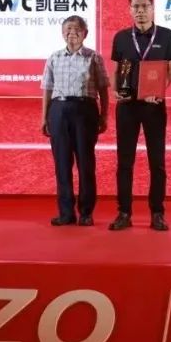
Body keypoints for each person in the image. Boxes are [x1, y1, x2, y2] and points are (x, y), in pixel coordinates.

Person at [108, 0, 171, 232]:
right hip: (127, 107)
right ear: (130, 10)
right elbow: (116, 71)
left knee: (157, 162)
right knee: (124, 162)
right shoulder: (121, 37)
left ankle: (157, 213)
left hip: (154, 106)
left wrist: (157, 91)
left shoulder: (167, 35)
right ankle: (124, 212)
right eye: (136, 7)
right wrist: (116, 91)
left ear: (152, 8)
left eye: (144, 6)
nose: (140, 11)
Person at [40, 15, 109, 226]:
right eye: (68, 29)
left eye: (77, 29)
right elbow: (47, 89)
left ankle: (86, 212)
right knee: (62, 164)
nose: (72, 33)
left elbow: (103, 89)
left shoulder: (94, 57)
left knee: (86, 164)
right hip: (59, 111)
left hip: (85, 110)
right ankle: (66, 213)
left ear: (85, 33)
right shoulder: (54, 58)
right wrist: (44, 117)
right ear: (62, 33)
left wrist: (104, 115)